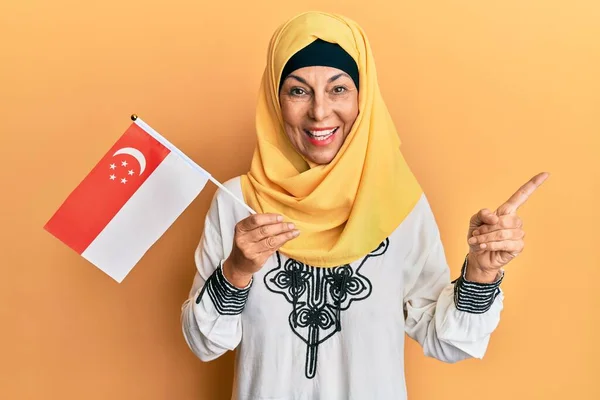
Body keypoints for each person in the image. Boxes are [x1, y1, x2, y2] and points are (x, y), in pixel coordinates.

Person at [181, 11, 548, 400]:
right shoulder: (238, 203)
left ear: (363, 97)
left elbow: (446, 341)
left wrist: (481, 273)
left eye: (338, 89)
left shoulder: (398, 206)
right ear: (275, 101)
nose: (319, 112)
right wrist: (237, 271)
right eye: (298, 90)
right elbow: (205, 344)